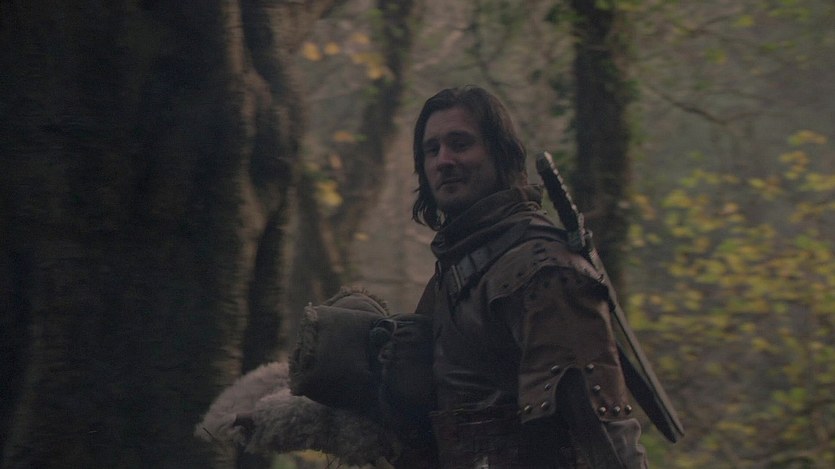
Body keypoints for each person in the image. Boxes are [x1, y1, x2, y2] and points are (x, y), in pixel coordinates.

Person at [403, 85, 648, 468]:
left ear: (500, 153)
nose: (444, 160)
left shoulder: (544, 270)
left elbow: (607, 437)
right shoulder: (457, 272)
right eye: (431, 150)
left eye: (460, 144)